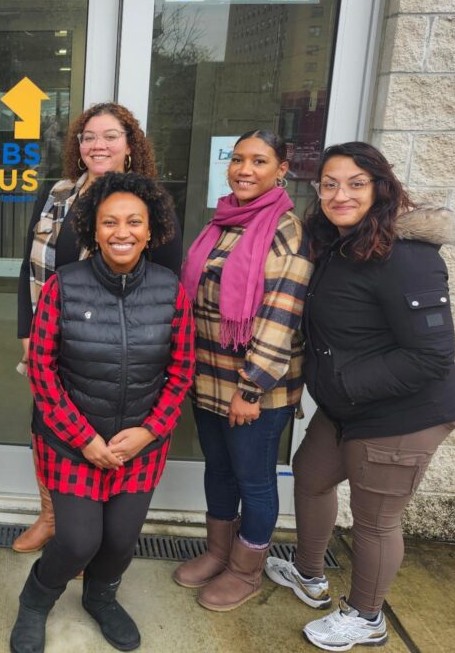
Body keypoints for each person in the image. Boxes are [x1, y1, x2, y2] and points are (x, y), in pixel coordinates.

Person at [265, 143, 455, 651]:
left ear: (381, 187)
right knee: (311, 478)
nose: (341, 194)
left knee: (375, 521)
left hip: (404, 414)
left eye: (356, 183)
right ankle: (311, 575)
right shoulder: (340, 243)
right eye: (330, 183)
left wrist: (344, 386)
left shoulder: (408, 258)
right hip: (347, 408)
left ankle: (367, 616)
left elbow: (430, 357)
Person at [9, 172, 194, 653]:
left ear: (151, 230)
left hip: (140, 445)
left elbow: (181, 374)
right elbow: (43, 372)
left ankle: (100, 597)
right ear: (94, 230)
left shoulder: (171, 290)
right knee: (77, 541)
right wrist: (84, 438)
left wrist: (149, 432)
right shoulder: (62, 287)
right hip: (73, 443)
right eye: (110, 222)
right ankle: (36, 600)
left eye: (135, 221)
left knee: (121, 540)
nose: (122, 231)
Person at [13, 102, 184, 554]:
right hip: (54, 334)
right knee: (44, 423)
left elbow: (166, 283)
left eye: (110, 136)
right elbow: (29, 264)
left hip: (115, 345)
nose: (97, 144)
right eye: (89, 136)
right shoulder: (58, 193)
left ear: (130, 146)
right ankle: (52, 516)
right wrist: (26, 330)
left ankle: (90, 531)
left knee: (102, 426)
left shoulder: (148, 203)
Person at [172, 129, 313, 612]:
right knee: (219, 471)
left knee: (254, 480)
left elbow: (280, 318)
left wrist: (250, 389)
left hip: (255, 390)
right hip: (209, 376)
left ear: (281, 169)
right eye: (237, 159)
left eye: (258, 161)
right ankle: (217, 551)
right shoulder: (225, 219)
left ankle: (245, 569)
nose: (244, 169)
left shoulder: (286, 231)